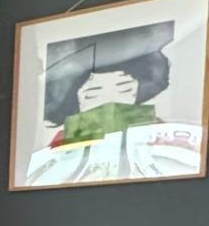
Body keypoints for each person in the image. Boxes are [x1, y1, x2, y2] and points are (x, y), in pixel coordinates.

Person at [25, 20, 203, 185]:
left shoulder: (159, 133)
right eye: (92, 93)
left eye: (124, 89)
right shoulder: (62, 144)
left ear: (138, 92)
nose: (108, 100)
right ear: (75, 100)